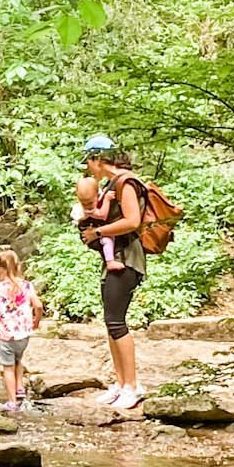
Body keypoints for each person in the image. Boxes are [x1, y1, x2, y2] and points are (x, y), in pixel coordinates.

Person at [79, 134, 148, 412]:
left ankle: (132, 386)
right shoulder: (112, 184)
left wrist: (97, 231)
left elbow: (132, 221)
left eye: (89, 161)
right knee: (111, 322)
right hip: (116, 259)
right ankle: (120, 384)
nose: (88, 168)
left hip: (128, 259)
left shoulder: (126, 182)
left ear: (98, 159)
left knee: (117, 322)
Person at [0, 247, 43, 410]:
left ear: (3, 268)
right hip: (24, 334)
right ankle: (20, 390)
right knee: (18, 360)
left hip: (6, 335)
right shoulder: (27, 285)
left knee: (7, 368)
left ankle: (12, 402)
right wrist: (36, 321)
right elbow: (38, 305)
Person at [72, 174, 121, 270]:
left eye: (90, 203)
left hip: (96, 229)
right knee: (107, 240)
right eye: (84, 203)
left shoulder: (97, 196)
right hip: (91, 235)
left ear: (97, 194)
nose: (87, 206)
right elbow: (102, 215)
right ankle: (110, 262)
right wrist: (107, 199)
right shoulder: (84, 211)